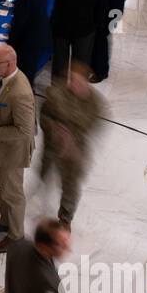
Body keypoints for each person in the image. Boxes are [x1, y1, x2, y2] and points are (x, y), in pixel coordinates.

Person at [0, 42, 37, 254]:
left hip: (13, 152)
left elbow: (25, 131)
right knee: (3, 187)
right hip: (3, 150)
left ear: (10, 63)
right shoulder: (6, 78)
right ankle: (5, 222)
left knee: (13, 194)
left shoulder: (20, 93)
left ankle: (16, 236)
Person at [38, 62, 103, 226]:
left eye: (79, 81)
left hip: (75, 151)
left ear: (86, 81)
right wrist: (56, 130)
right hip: (52, 146)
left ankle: (65, 218)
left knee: (71, 185)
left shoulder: (94, 102)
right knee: (44, 173)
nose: (74, 84)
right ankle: (41, 195)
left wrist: (72, 137)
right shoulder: (56, 93)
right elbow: (43, 117)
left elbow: (93, 124)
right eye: (72, 80)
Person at [8, 0, 51, 84]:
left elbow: (19, 26)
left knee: (24, 78)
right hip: (40, 38)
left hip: (28, 45)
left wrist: (10, 45)